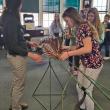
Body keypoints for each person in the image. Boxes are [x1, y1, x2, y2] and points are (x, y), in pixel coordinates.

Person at [59, 7, 103, 110]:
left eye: (67, 21)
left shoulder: (83, 27)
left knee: (87, 91)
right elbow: (80, 46)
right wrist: (66, 48)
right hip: (85, 62)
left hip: (93, 63)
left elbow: (87, 49)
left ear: (72, 18)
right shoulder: (79, 28)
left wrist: (68, 54)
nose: (67, 23)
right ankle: (82, 107)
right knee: (79, 87)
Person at [1, 0, 42, 110]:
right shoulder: (11, 20)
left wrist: (28, 42)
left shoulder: (11, 17)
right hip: (16, 56)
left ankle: (15, 103)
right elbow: (12, 45)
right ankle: (15, 107)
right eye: (21, 3)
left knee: (17, 81)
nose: (22, 5)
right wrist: (30, 54)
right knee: (19, 83)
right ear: (16, 5)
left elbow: (16, 37)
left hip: (17, 55)